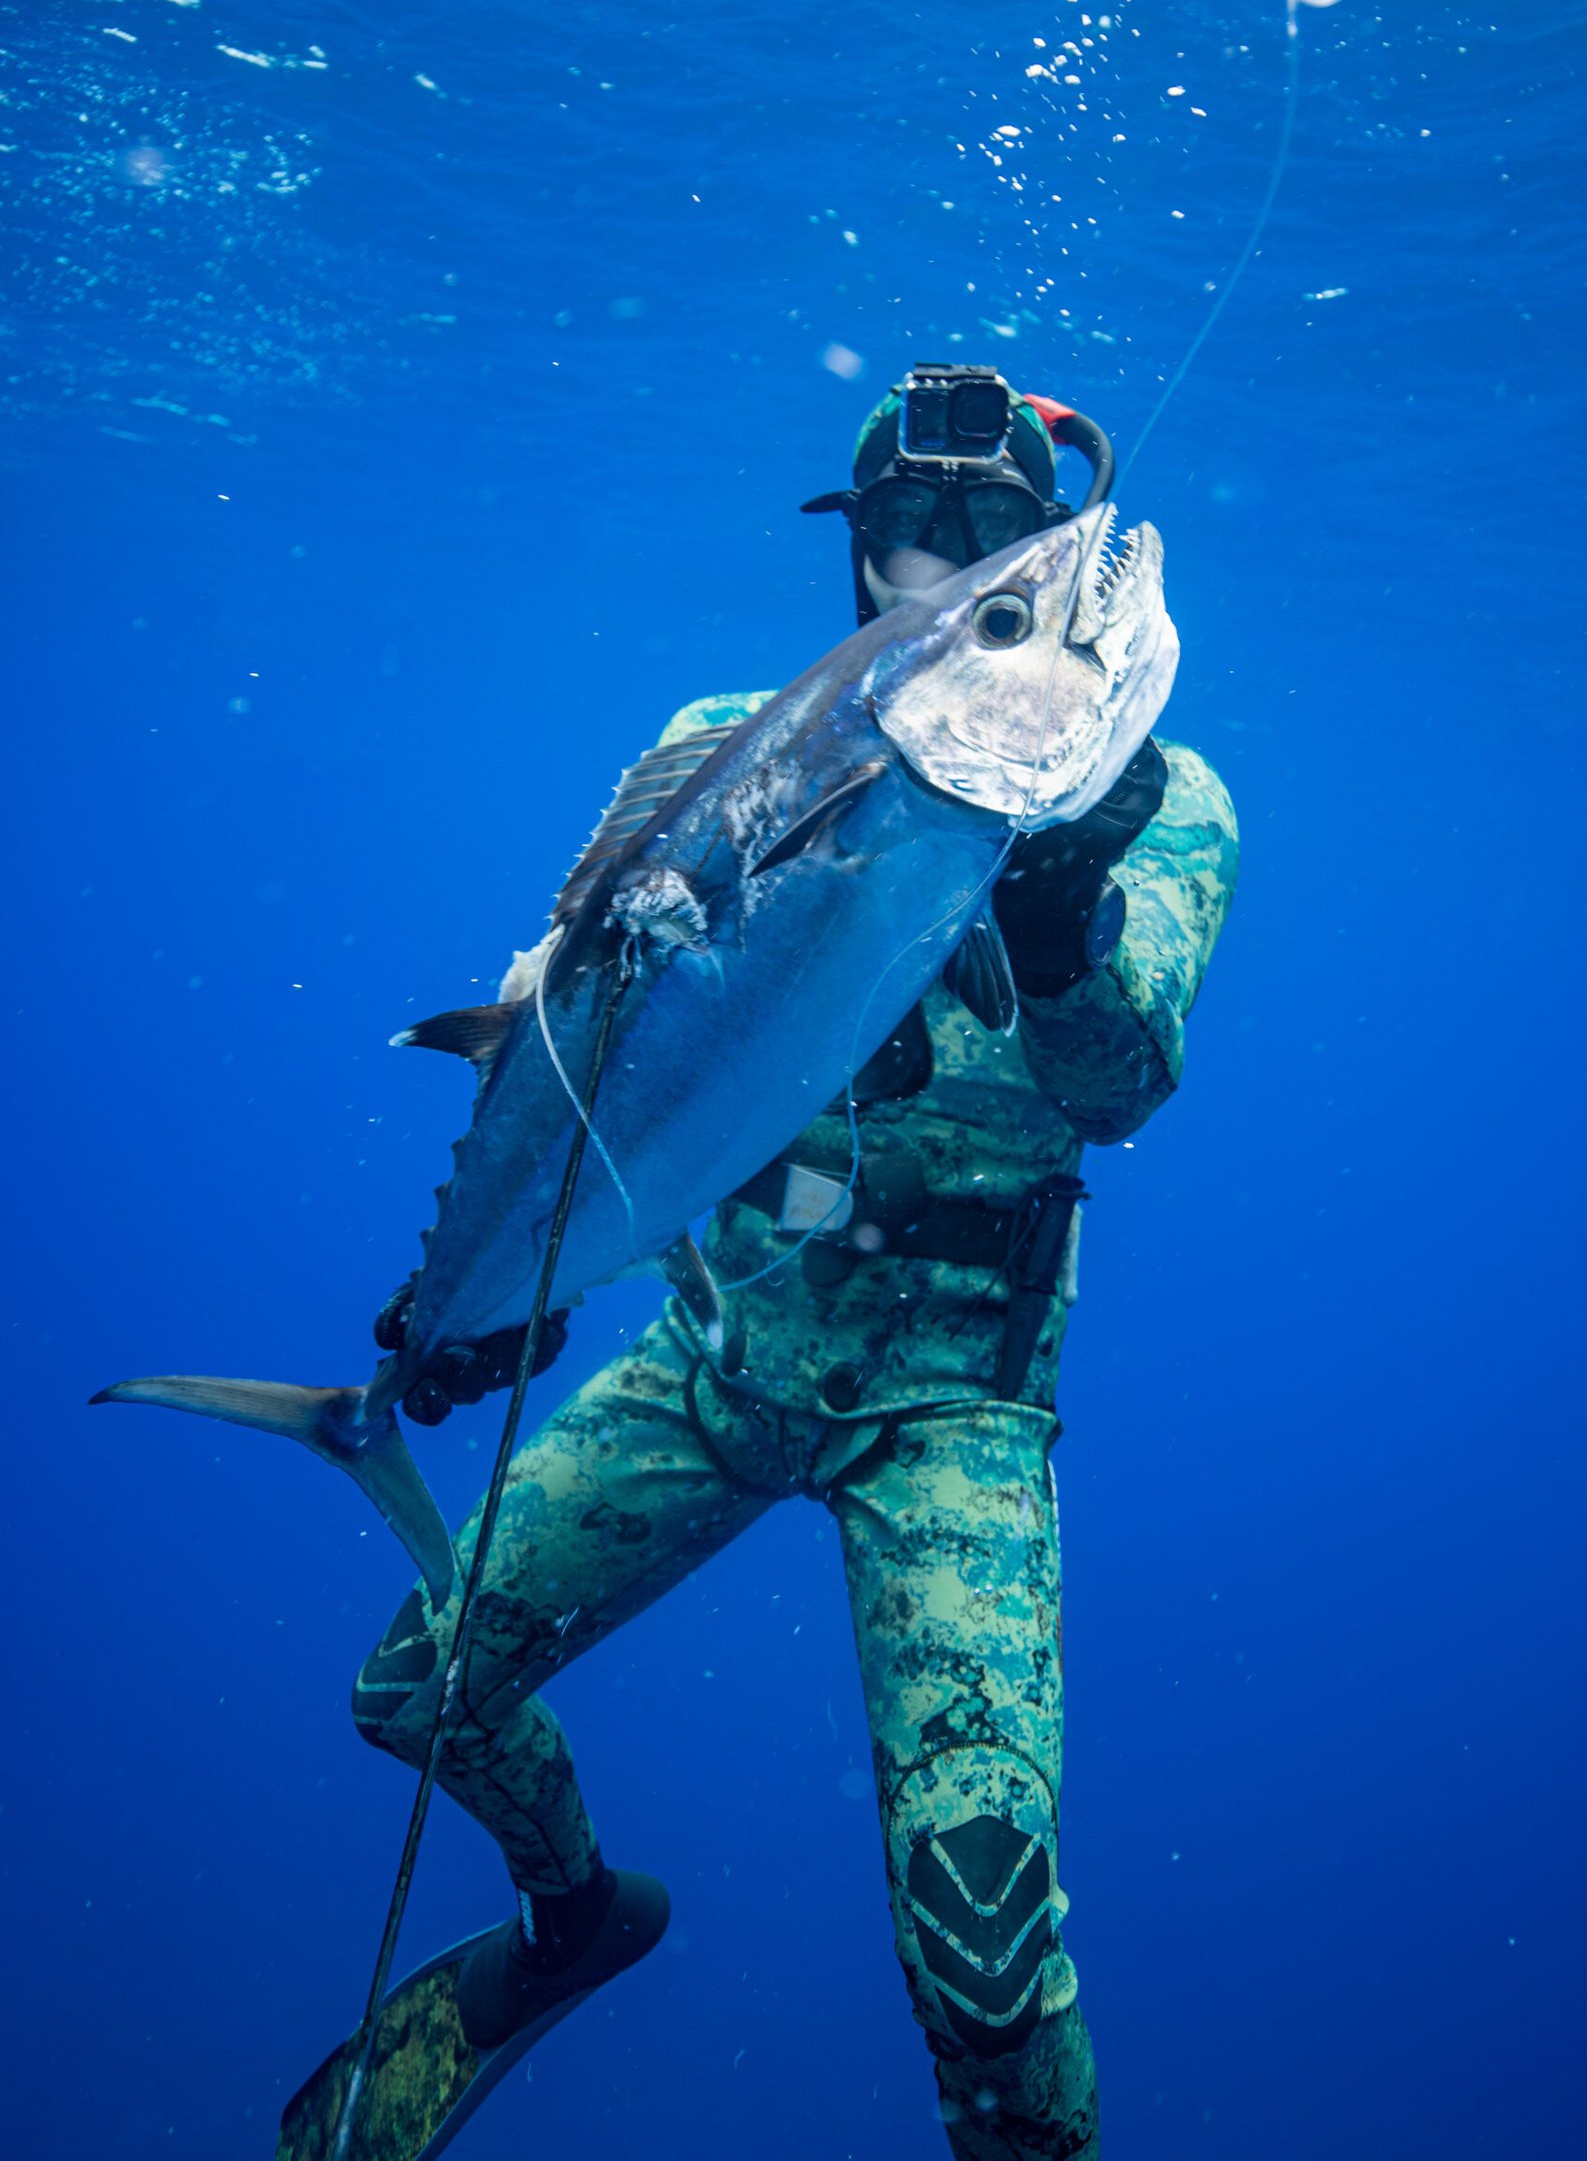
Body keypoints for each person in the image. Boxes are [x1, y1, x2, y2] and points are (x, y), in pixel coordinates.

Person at [347, 368, 1239, 2159]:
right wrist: (502, 1302)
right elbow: (583, 1028)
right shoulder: (725, 741)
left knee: (984, 1951)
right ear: (857, 552)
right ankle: (576, 1915)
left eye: (994, 544)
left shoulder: (1163, 801)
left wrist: (1055, 923)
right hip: (719, 1354)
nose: (950, 566)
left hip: (953, 1413)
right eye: (919, 535)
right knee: (415, 1694)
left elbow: (1123, 1084)